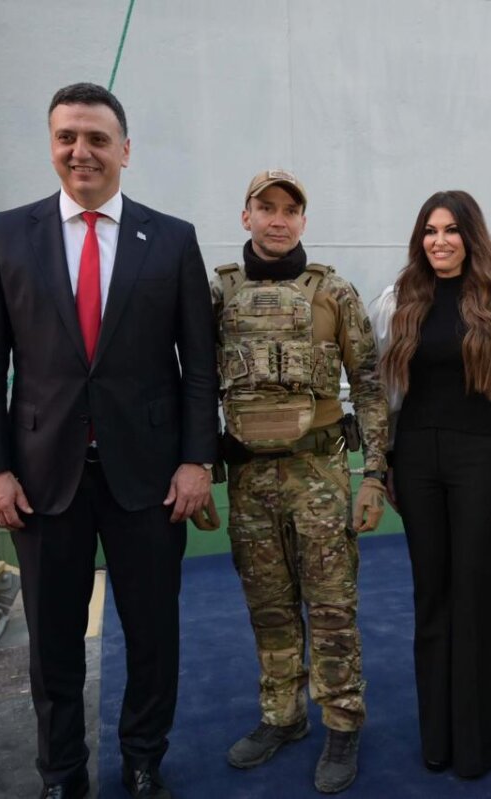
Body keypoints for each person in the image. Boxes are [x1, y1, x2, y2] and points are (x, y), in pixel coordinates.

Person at [0, 83, 217, 799]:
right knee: (52, 642)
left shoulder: (172, 240)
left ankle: (143, 760)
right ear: (51, 146)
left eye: (98, 139)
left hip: (151, 479)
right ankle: (62, 773)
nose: (82, 151)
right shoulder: (4, 236)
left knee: (153, 633)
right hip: (41, 480)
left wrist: (197, 459)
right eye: (67, 137)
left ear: (124, 151)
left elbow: (199, 365)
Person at [213, 169, 389, 795]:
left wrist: (375, 476)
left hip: (319, 474)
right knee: (268, 605)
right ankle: (282, 716)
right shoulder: (218, 293)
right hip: (248, 478)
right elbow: (195, 383)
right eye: (267, 207)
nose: (278, 219)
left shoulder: (333, 292)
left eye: (290, 209)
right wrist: (201, 467)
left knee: (333, 606)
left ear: (303, 221)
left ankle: (342, 723)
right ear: (247, 216)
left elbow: (369, 385)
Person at [368, 190, 491, 778]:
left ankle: (474, 745)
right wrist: (388, 461)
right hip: (416, 459)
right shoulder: (397, 301)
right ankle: (436, 739)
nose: (439, 241)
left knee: (470, 594)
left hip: (476, 460)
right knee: (430, 596)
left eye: (450, 230)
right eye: (430, 230)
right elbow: (383, 390)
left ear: (471, 236)